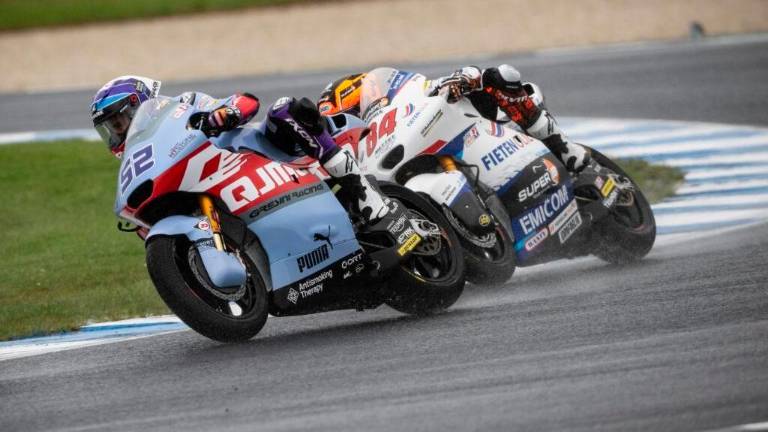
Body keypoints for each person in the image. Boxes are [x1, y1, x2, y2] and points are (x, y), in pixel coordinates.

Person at [90, 76, 389, 224]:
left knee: (283, 108)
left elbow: (245, 102)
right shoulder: (145, 164)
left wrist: (223, 115)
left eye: (119, 120)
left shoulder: (181, 105)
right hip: (231, 195)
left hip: (266, 154)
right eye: (110, 128)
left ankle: (362, 192)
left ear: (139, 104)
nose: (118, 131)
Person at [316, 65, 590, 173]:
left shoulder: (409, 91)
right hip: (411, 158)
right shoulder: (361, 147)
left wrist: (460, 81)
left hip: (484, 125)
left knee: (499, 77)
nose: (349, 121)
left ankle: (563, 148)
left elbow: (464, 73)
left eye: (348, 113)